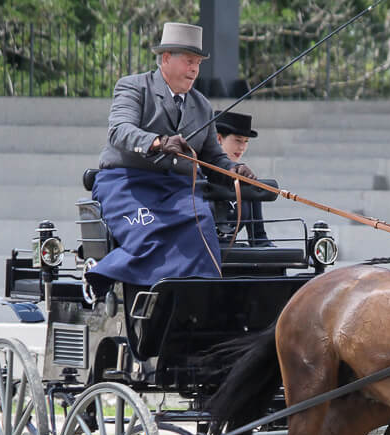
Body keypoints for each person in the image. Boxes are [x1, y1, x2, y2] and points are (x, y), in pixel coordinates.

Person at [86, 22, 254, 296]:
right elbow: (119, 130)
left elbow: (213, 157)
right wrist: (159, 142)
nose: (194, 69)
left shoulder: (201, 105)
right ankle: (113, 280)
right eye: (189, 61)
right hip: (128, 184)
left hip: (178, 190)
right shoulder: (134, 87)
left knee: (200, 225)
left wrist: (235, 170)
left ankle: (198, 297)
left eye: (198, 63)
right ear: (166, 58)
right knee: (149, 234)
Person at [211, 110, 271, 246]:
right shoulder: (197, 176)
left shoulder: (247, 180)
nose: (242, 147)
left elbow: (258, 237)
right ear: (218, 139)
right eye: (238, 140)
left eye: (246, 141)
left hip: (232, 255)